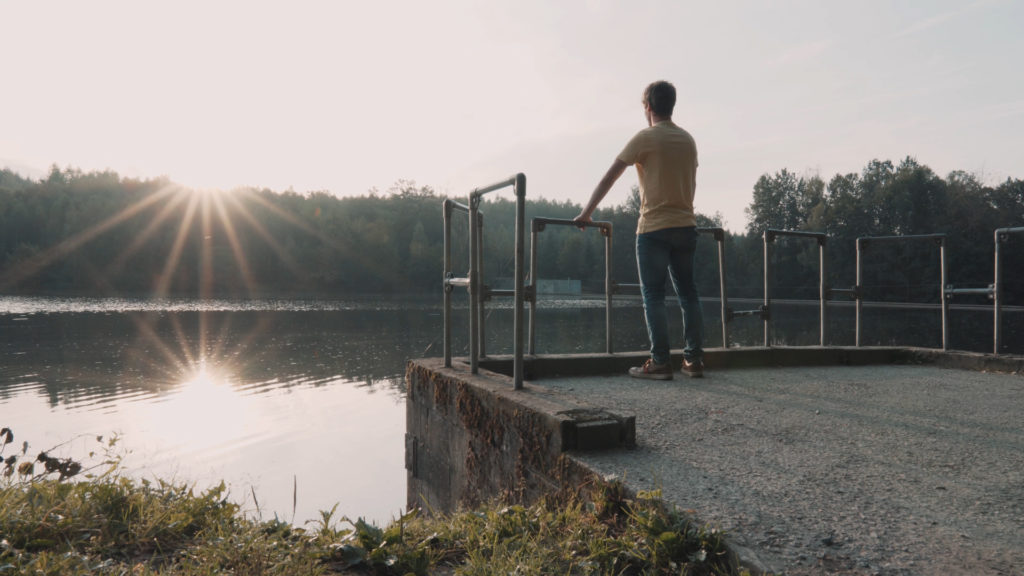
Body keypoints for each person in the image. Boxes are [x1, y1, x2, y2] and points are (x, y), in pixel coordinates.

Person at [574, 80, 704, 380]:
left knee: (654, 296)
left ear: (647, 107)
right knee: (689, 294)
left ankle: (660, 362)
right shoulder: (688, 140)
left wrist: (586, 213)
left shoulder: (645, 138)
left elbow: (611, 176)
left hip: (654, 229)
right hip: (686, 226)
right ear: (672, 105)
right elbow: (691, 183)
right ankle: (693, 361)